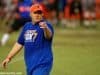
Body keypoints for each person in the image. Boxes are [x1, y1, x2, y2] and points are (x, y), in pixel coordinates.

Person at [2, 3, 54, 75]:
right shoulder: (27, 26)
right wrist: (9, 57)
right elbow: (19, 43)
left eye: (39, 13)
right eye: (35, 12)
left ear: (42, 14)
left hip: (43, 63)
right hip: (30, 64)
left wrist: (45, 28)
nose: (37, 15)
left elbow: (49, 36)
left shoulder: (46, 25)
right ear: (30, 14)